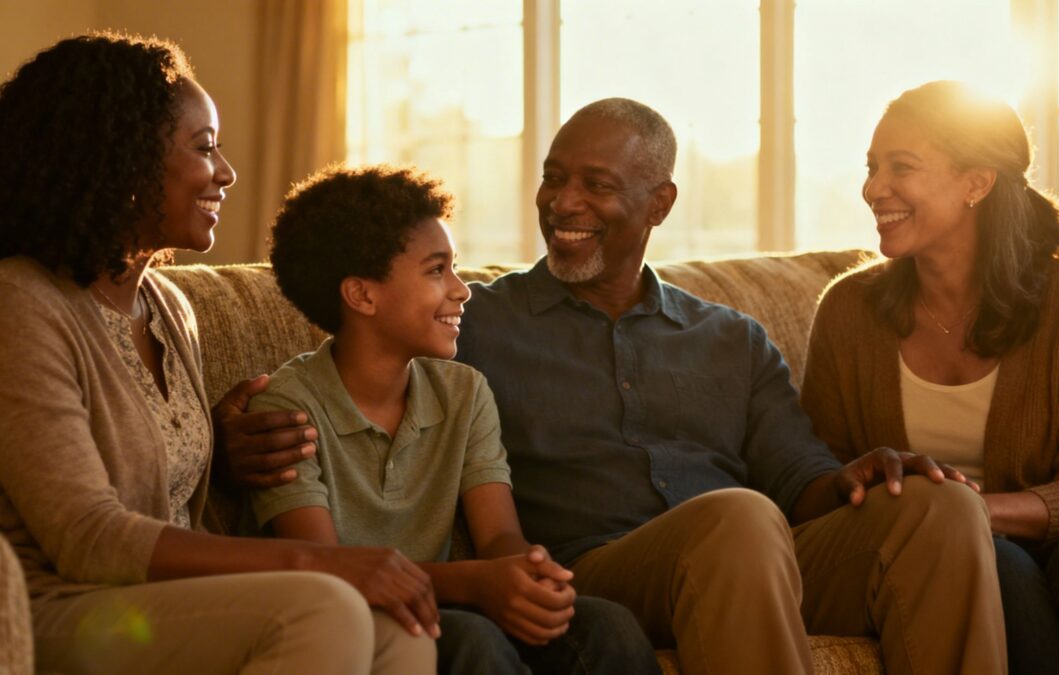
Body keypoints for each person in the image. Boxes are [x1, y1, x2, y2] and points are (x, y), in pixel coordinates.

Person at [224, 97, 1007, 674]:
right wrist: (231, 431)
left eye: (596, 184)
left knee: (940, 507)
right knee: (736, 517)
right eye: (553, 179)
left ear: (659, 202)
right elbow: (356, 361)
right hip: (598, 573)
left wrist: (859, 477)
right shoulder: (476, 325)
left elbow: (800, 479)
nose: (563, 203)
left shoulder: (731, 338)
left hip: (756, 564)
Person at [0, 33, 437, 674]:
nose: (227, 173)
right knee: (326, 606)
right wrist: (321, 561)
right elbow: (89, 537)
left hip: (160, 606)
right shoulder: (21, 303)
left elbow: (157, 474)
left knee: (399, 625)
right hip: (61, 609)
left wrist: (224, 452)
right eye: (205, 148)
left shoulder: (169, 307)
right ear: (125, 160)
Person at [245, 164, 659, 675]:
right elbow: (326, 569)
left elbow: (498, 536)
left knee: (607, 626)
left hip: (450, 602)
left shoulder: (464, 391)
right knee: (473, 641)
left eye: (454, 268)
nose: (462, 290)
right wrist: (475, 584)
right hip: (356, 619)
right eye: (437, 270)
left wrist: (526, 573)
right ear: (363, 295)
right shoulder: (288, 408)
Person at [801, 80, 1059, 675]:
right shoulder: (849, 310)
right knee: (999, 565)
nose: (873, 189)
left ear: (976, 183)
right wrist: (937, 518)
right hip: (931, 557)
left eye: (901, 167)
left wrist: (970, 511)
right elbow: (820, 478)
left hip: (1056, 547)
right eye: (872, 168)